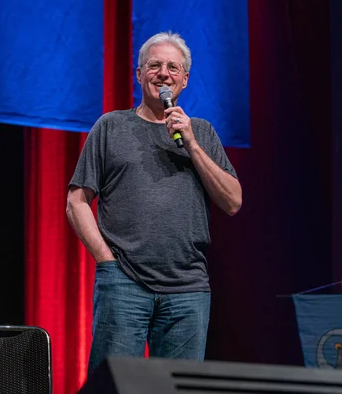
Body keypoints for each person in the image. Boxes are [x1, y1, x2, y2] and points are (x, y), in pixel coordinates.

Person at [66, 32, 242, 376]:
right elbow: (77, 201)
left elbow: (233, 201)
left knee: (177, 387)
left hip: (188, 288)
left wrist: (190, 144)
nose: (164, 73)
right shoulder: (111, 126)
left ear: (185, 79)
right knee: (113, 383)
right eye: (155, 65)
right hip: (124, 282)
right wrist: (107, 261)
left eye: (173, 68)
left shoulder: (201, 132)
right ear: (139, 74)